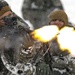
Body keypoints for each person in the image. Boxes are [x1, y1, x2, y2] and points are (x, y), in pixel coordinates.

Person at [0, 0, 34, 75]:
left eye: (10, 15)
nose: (9, 19)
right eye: (4, 18)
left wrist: (26, 52)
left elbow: (23, 70)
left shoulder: (20, 30)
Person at [44, 10, 75, 75]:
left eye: (60, 20)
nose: (57, 22)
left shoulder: (72, 34)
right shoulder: (43, 35)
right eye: (54, 20)